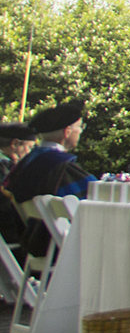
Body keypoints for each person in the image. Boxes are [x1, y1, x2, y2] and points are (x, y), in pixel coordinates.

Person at [0, 100, 92, 256]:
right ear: (67, 131)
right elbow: (91, 202)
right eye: (80, 127)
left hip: (34, 242)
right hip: (61, 247)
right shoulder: (60, 165)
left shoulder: (27, 162)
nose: (81, 131)